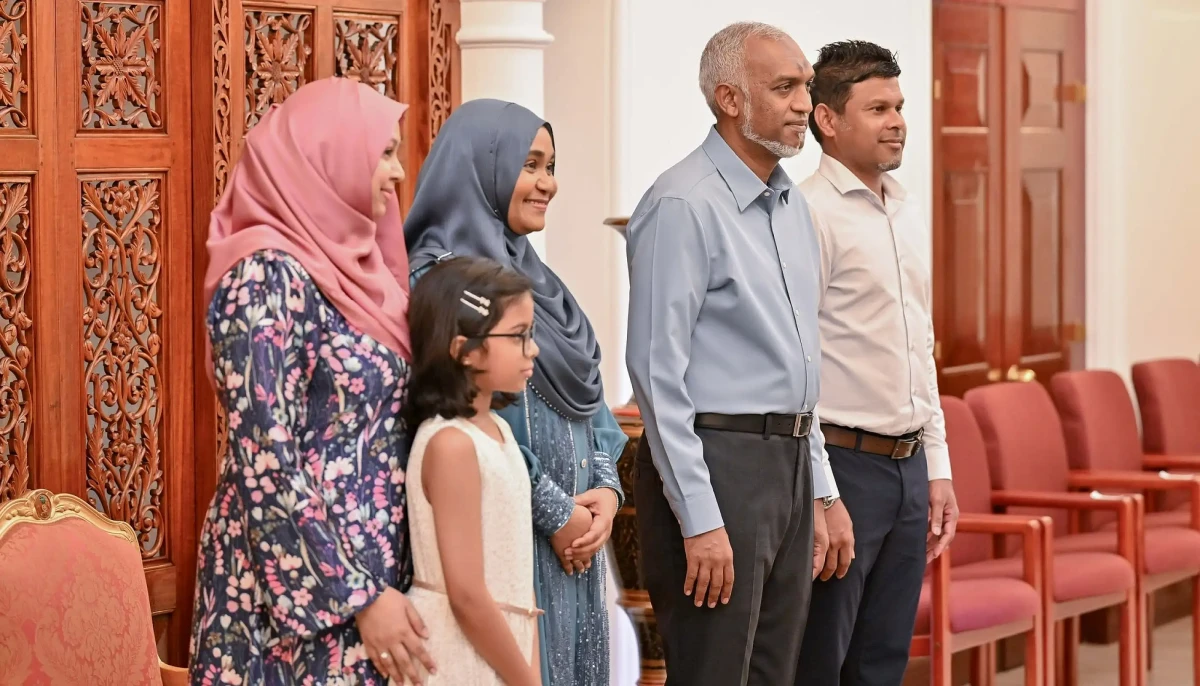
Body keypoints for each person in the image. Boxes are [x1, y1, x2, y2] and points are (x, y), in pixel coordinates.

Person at [191, 77, 437, 686]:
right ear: (329, 155)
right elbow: (264, 457)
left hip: (377, 580)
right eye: (384, 152)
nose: (398, 171)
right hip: (290, 601)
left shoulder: (369, 275)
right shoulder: (263, 279)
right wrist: (356, 595)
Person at [624, 22, 846, 686]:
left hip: (788, 466)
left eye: (806, 85)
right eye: (784, 88)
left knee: (774, 676)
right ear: (729, 99)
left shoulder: (791, 205)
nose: (804, 104)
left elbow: (798, 369)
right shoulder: (682, 204)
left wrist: (821, 493)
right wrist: (699, 517)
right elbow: (657, 375)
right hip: (719, 466)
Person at [403, 99, 627, 686]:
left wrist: (604, 493)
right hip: (509, 548)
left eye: (551, 166)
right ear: (482, 168)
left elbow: (594, 410)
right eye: (530, 165)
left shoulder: (541, 285)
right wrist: (557, 513)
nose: (547, 183)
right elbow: (451, 414)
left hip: (576, 549)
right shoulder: (439, 285)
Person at [794, 40, 960, 686]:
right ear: (828, 119)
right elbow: (797, 364)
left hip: (908, 468)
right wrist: (821, 492)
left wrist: (937, 467)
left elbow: (920, 345)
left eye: (899, 106)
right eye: (878, 109)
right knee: (823, 660)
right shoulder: (807, 213)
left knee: (884, 662)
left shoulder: (905, 208)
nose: (897, 122)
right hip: (843, 466)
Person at [403, 255, 544, 685]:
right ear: (463, 349)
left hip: (501, 653)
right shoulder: (451, 445)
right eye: (518, 336)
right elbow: (466, 595)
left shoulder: (498, 429)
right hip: (457, 655)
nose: (533, 349)